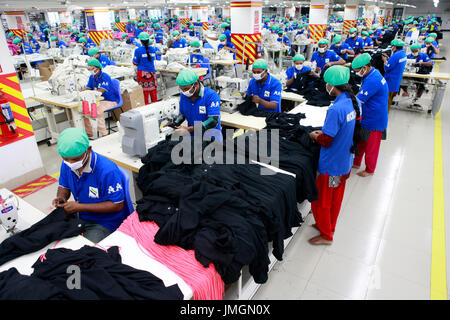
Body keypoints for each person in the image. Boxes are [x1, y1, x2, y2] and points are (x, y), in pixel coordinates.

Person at [308, 65, 361, 245]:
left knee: (323, 200)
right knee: (335, 196)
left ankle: (326, 235)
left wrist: (315, 136)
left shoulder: (335, 110)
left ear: (331, 86)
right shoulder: (351, 103)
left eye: (326, 84)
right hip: (344, 162)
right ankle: (329, 225)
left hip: (331, 166)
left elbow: (327, 140)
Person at [54, 127, 129, 243]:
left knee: (85, 249)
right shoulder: (67, 164)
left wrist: (79, 207)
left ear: (88, 150)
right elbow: (64, 186)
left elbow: (117, 205)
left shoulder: (107, 170)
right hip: (81, 216)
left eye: (75, 159)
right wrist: (61, 197)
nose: (71, 164)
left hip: (105, 221)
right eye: (66, 159)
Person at [351, 53, 389, 177]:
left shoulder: (373, 79)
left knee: (371, 146)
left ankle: (369, 169)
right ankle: (356, 162)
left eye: (358, 71)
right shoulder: (371, 73)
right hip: (367, 115)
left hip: (375, 118)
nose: (357, 73)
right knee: (361, 140)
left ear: (365, 68)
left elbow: (359, 99)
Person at [167, 68, 222, 141]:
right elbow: (182, 114)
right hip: (194, 139)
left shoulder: (211, 95)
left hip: (211, 140)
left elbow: (213, 121)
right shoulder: (184, 96)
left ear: (195, 84)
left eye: (186, 89)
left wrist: (188, 129)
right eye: (181, 89)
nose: (184, 92)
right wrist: (175, 123)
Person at [82, 59, 121, 138]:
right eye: (89, 68)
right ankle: (89, 133)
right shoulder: (92, 77)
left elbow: (101, 90)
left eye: (92, 68)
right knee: (85, 110)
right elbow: (88, 87)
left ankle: (104, 134)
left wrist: (90, 93)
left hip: (110, 100)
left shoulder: (105, 76)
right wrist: (80, 92)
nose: (90, 70)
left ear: (98, 68)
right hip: (98, 100)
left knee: (98, 110)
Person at [401, 43, 433, 110]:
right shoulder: (408, 56)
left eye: (416, 51)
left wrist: (421, 63)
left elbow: (430, 63)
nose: (414, 52)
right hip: (410, 74)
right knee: (400, 80)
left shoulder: (423, 56)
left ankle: (416, 98)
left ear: (419, 50)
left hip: (420, 75)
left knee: (422, 84)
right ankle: (405, 91)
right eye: (413, 51)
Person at [133, 32, 161, 104]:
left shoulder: (137, 50)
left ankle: (146, 110)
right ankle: (155, 108)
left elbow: (135, 62)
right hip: (152, 73)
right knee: (153, 94)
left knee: (144, 95)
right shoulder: (153, 49)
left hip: (142, 74)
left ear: (140, 41)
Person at [383, 39, 407, 111]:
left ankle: (385, 115)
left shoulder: (395, 56)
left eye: (392, 46)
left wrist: (385, 61)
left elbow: (387, 68)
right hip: (396, 80)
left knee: (387, 100)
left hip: (390, 81)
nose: (391, 48)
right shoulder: (403, 54)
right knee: (389, 99)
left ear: (395, 47)